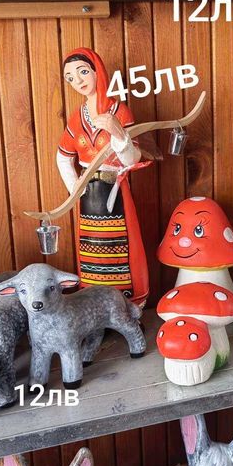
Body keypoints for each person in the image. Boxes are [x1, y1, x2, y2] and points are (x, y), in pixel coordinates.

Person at [56, 48, 149, 307]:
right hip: (88, 196)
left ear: (98, 71)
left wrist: (118, 133)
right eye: (70, 78)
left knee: (123, 245)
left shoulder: (120, 111)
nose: (78, 81)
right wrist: (75, 188)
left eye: (83, 72)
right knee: (91, 248)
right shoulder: (76, 119)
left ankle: (128, 303)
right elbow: (62, 157)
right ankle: (95, 303)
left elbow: (132, 159)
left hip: (115, 190)